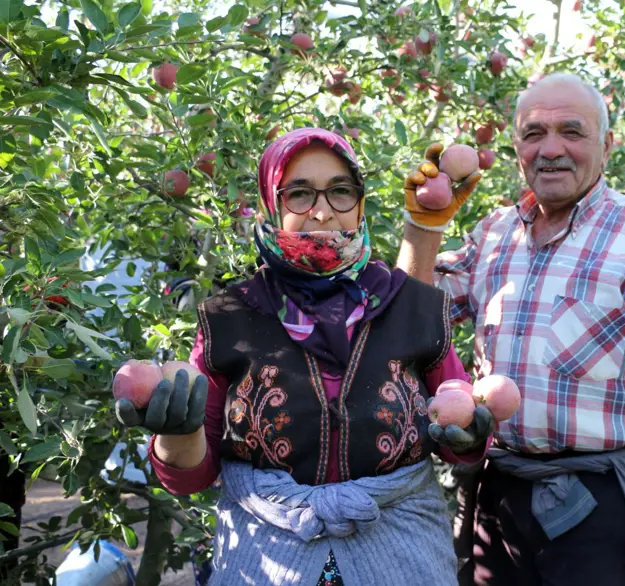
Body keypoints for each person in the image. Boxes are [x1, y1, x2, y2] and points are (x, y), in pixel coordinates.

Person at [397, 73, 625, 586]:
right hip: (500, 491)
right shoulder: (493, 234)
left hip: (604, 498)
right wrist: (423, 227)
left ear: (606, 146)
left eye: (572, 132)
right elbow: (409, 330)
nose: (551, 149)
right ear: (517, 147)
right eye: (534, 134)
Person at [114, 127, 494, 586]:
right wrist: (176, 433)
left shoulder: (415, 306)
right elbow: (194, 475)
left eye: (340, 191)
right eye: (299, 193)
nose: (321, 210)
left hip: (400, 549)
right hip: (267, 559)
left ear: (360, 200)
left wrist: (469, 435)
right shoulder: (228, 317)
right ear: (271, 204)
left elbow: (460, 439)